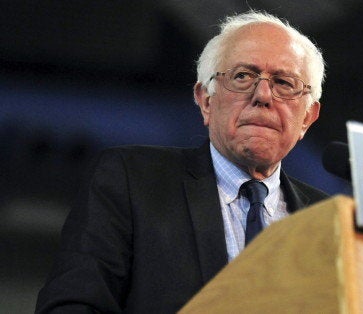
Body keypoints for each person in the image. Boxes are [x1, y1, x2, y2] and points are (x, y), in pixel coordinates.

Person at [36, 10, 328, 313]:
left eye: (284, 82)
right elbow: (72, 304)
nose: (263, 95)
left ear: (307, 117)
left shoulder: (329, 221)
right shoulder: (130, 180)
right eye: (243, 76)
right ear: (205, 100)